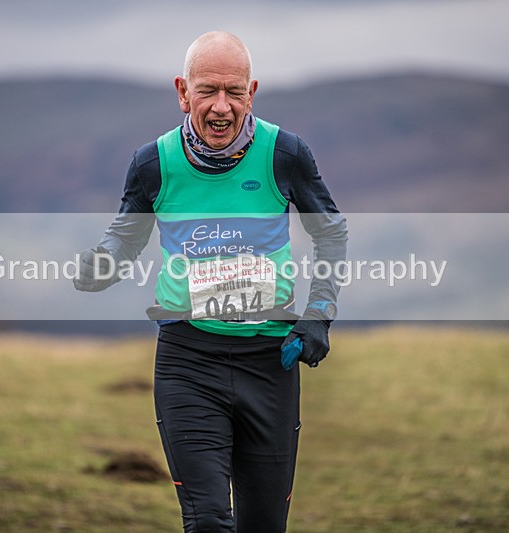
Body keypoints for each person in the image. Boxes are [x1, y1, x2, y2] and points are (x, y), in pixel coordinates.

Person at [74, 31, 347, 531]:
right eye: (207, 91)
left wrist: (319, 314)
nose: (221, 107)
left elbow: (330, 231)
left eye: (234, 92)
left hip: (270, 362)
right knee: (208, 522)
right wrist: (102, 264)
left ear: (251, 92)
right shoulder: (153, 163)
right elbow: (125, 237)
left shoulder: (284, 153)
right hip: (188, 363)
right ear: (182, 92)